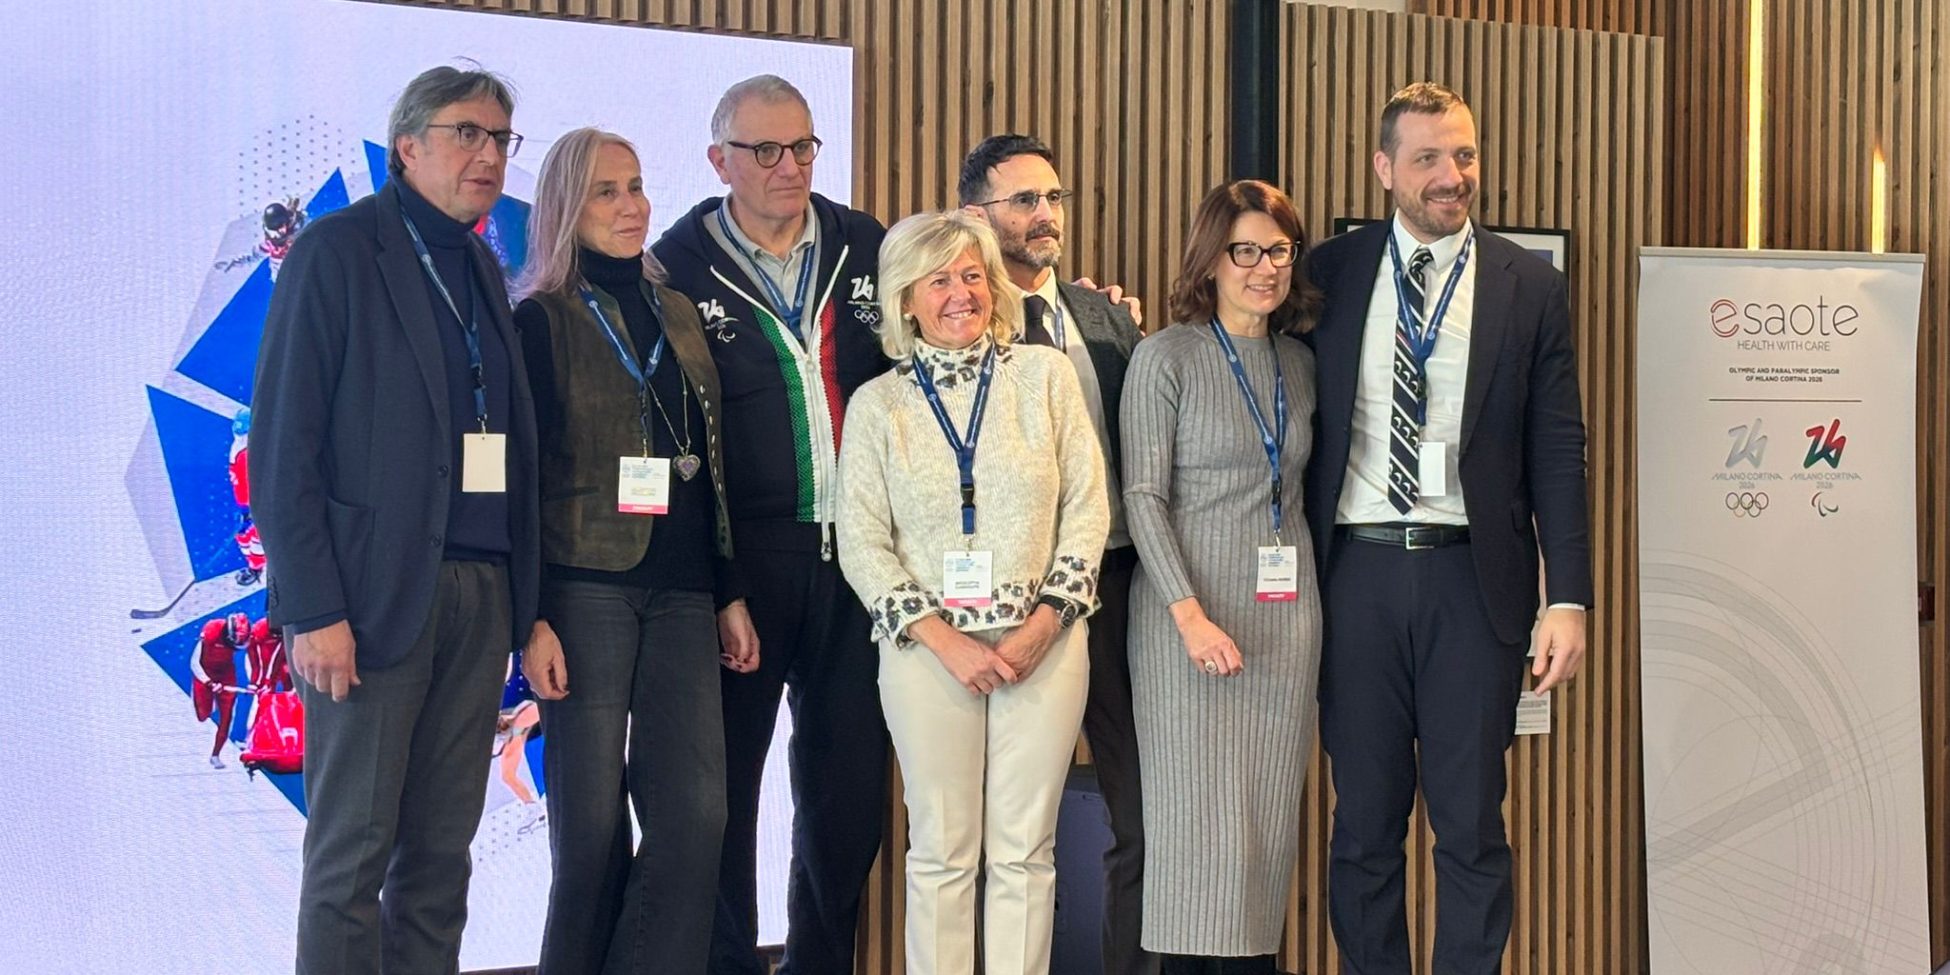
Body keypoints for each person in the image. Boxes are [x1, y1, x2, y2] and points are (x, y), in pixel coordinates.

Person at [250, 64, 540, 975]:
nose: (488, 154)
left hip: (478, 596)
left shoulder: (482, 266)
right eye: (467, 133)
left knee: (439, 862)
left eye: (500, 139)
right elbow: (283, 445)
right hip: (370, 604)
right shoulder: (338, 251)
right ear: (406, 146)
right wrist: (312, 608)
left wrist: (522, 606)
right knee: (352, 858)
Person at [1302, 82, 1592, 975]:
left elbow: (1557, 446)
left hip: (1474, 583)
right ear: (1385, 168)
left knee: (1471, 826)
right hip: (1355, 579)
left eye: (1463, 154)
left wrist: (1569, 596)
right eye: (1427, 157)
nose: (1451, 174)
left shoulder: (1528, 285)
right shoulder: (1328, 273)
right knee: (1364, 826)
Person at [651, 74, 889, 975]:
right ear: (720, 161)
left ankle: (819, 963)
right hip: (745, 563)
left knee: (847, 795)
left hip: (860, 560)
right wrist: (720, 584)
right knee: (724, 796)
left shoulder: (866, 244)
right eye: (765, 151)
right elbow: (672, 439)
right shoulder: (674, 265)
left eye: (803, 146)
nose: (790, 166)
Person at [836, 209, 1109, 975]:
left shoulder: (1047, 377)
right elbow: (861, 541)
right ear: (905, 298)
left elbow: (1088, 508)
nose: (961, 293)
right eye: (939, 280)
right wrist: (946, 640)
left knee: (1025, 851)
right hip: (928, 652)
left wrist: (1044, 623)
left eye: (972, 275)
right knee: (942, 852)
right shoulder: (878, 405)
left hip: (1045, 645)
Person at [512, 126, 755, 975]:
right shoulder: (539, 320)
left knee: (697, 815)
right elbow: (520, 479)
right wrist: (529, 617)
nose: (632, 206)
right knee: (589, 833)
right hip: (584, 592)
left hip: (685, 591)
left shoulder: (677, 311)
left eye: (638, 186)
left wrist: (728, 589)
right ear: (565, 209)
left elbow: (709, 461)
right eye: (607, 192)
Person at [957, 132, 1153, 975]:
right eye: (1025, 200)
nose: (1047, 215)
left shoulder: (1106, 316)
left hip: (1116, 585)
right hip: (1005, 601)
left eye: (1054, 198)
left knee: (1140, 814)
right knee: (1004, 826)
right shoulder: (957, 316)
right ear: (976, 215)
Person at [1120, 181, 1322, 975]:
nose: (1265, 267)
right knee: (1192, 835)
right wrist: (1190, 615)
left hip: (1283, 626)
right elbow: (1143, 495)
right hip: (1188, 625)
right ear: (1210, 260)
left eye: (1279, 250)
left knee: (1263, 833)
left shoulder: (1299, 363)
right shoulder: (1165, 356)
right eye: (1246, 251)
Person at [192, 612, 249, 768]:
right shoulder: (211, 630)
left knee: (227, 718)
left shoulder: (243, 637)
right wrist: (209, 683)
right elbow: (194, 662)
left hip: (226, 674)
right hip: (206, 673)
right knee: (203, 715)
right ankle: (208, 705)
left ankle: (215, 754)